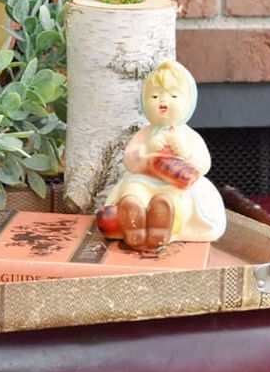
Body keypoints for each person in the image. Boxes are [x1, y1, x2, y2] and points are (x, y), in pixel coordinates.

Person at [96, 61, 226, 251]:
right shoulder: (145, 134)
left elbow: (203, 163)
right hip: (144, 180)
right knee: (133, 188)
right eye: (154, 96)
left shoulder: (188, 135)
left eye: (173, 95)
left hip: (175, 185)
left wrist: (185, 152)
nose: (162, 102)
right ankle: (133, 219)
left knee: (177, 199)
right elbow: (130, 161)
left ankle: (164, 226)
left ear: (189, 103)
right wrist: (146, 150)